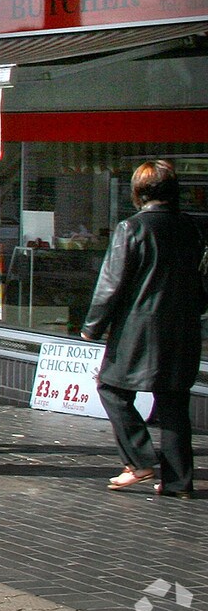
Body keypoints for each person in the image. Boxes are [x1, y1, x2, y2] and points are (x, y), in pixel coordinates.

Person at [82, 160, 207, 497]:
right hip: (184, 330)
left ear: (138, 193)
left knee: (112, 389)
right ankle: (178, 481)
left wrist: (92, 327)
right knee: (173, 402)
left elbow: (111, 284)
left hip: (138, 331)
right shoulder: (192, 229)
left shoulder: (131, 229)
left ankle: (139, 460)